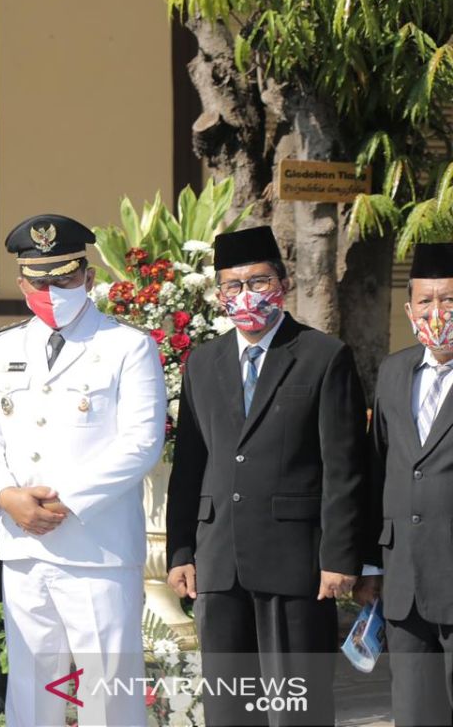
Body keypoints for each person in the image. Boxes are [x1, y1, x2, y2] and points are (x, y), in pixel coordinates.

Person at [0, 215, 165, 726]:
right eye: (39, 281)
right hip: (24, 545)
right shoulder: (7, 346)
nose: (52, 291)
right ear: (21, 283)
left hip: (94, 545)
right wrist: (6, 496)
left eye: (65, 278)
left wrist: (61, 501)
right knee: (31, 690)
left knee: (107, 695)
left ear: (89, 278)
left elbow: (141, 443)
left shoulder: (127, 346)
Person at [166, 225, 368, 726]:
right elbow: (189, 464)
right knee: (230, 709)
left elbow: (344, 466)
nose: (245, 296)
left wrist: (341, 556)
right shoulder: (203, 362)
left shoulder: (323, 356)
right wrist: (181, 551)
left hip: (296, 564)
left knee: (297, 708)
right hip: (219, 563)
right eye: (232, 286)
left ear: (282, 283)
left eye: (257, 282)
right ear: (219, 294)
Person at [356, 242, 453, 726]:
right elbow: (380, 468)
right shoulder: (394, 371)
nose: (437, 313)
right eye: (426, 301)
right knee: (414, 715)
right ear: (410, 307)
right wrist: (372, 563)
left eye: (449, 301)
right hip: (404, 584)